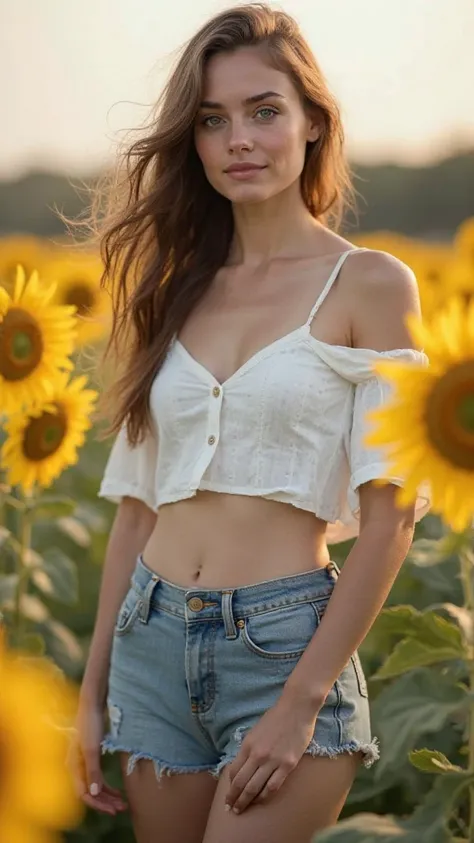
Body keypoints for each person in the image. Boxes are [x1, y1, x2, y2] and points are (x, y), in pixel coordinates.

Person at [73, 4, 431, 842]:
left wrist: (301, 703)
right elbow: (136, 509)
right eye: (212, 119)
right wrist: (90, 696)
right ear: (192, 142)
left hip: (281, 651)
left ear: (313, 124)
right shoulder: (173, 289)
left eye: (264, 110)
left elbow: (390, 520)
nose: (239, 138)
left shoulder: (370, 285)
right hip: (150, 644)